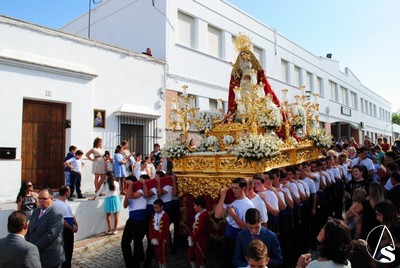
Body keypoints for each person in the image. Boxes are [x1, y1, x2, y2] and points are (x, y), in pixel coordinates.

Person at [215, 178, 255, 268]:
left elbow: (246, 227)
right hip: (228, 235)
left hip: (239, 238)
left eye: (236, 188)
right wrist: (222, 197)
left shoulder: (248, 205)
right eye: (232, 188)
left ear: (243, 188)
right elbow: (217, 215)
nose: (233, 191)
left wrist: (233, 215)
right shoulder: (230, 200)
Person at [26, 188, 65, 268]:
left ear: (51, 199)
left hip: (50, 258)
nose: (41, 200)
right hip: (35, 256)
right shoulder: (36, 211)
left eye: (44, 198)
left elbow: (50, 235)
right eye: (39, 198)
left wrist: (33, 248)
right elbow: (30, 230)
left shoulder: (56, 214)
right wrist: (27, 245)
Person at [121, 175, 147, 268]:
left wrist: (130, 187)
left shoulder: (140, 191)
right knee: (124, 243)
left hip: (139, 220)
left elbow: (131, 195)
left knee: (137, 243)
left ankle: (136, 264)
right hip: (132, 219)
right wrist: (127, 193)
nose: (126, 185)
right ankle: (129, 263)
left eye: (128, 183)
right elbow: (125, 205)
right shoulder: (129, 192)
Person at [54, 185, 78, 268]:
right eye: (69, 191)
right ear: (66, 192)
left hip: (70, 229)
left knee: (70, 249)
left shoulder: (67, 202)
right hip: (64, 230)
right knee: (65, 250)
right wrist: (71, 227)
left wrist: (76, 225)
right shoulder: (57, 204)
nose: (70, 192)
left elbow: (71, 214)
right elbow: (61, 219)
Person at [187, 196, 210, 268]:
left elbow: (200, 230)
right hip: (194, 239)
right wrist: (190, 236)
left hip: (200, 241)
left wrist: (192, 239)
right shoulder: (198, 214)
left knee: (200, 258)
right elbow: (193, 226)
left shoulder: (204, 215)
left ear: (199, 206)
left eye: (194, 205)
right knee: (190, 256)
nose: (193, 207)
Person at [148, 198, 171, 268]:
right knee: (157, 256)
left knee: (162, 257)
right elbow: (150, 228)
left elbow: (165, 231)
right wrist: (152, 238)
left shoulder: (165, 216)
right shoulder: (153, 216)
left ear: (162, 207)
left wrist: (158, 240)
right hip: (154, 238)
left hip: (162, 240)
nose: (155, 209)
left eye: (157, 208)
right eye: (154, 207)